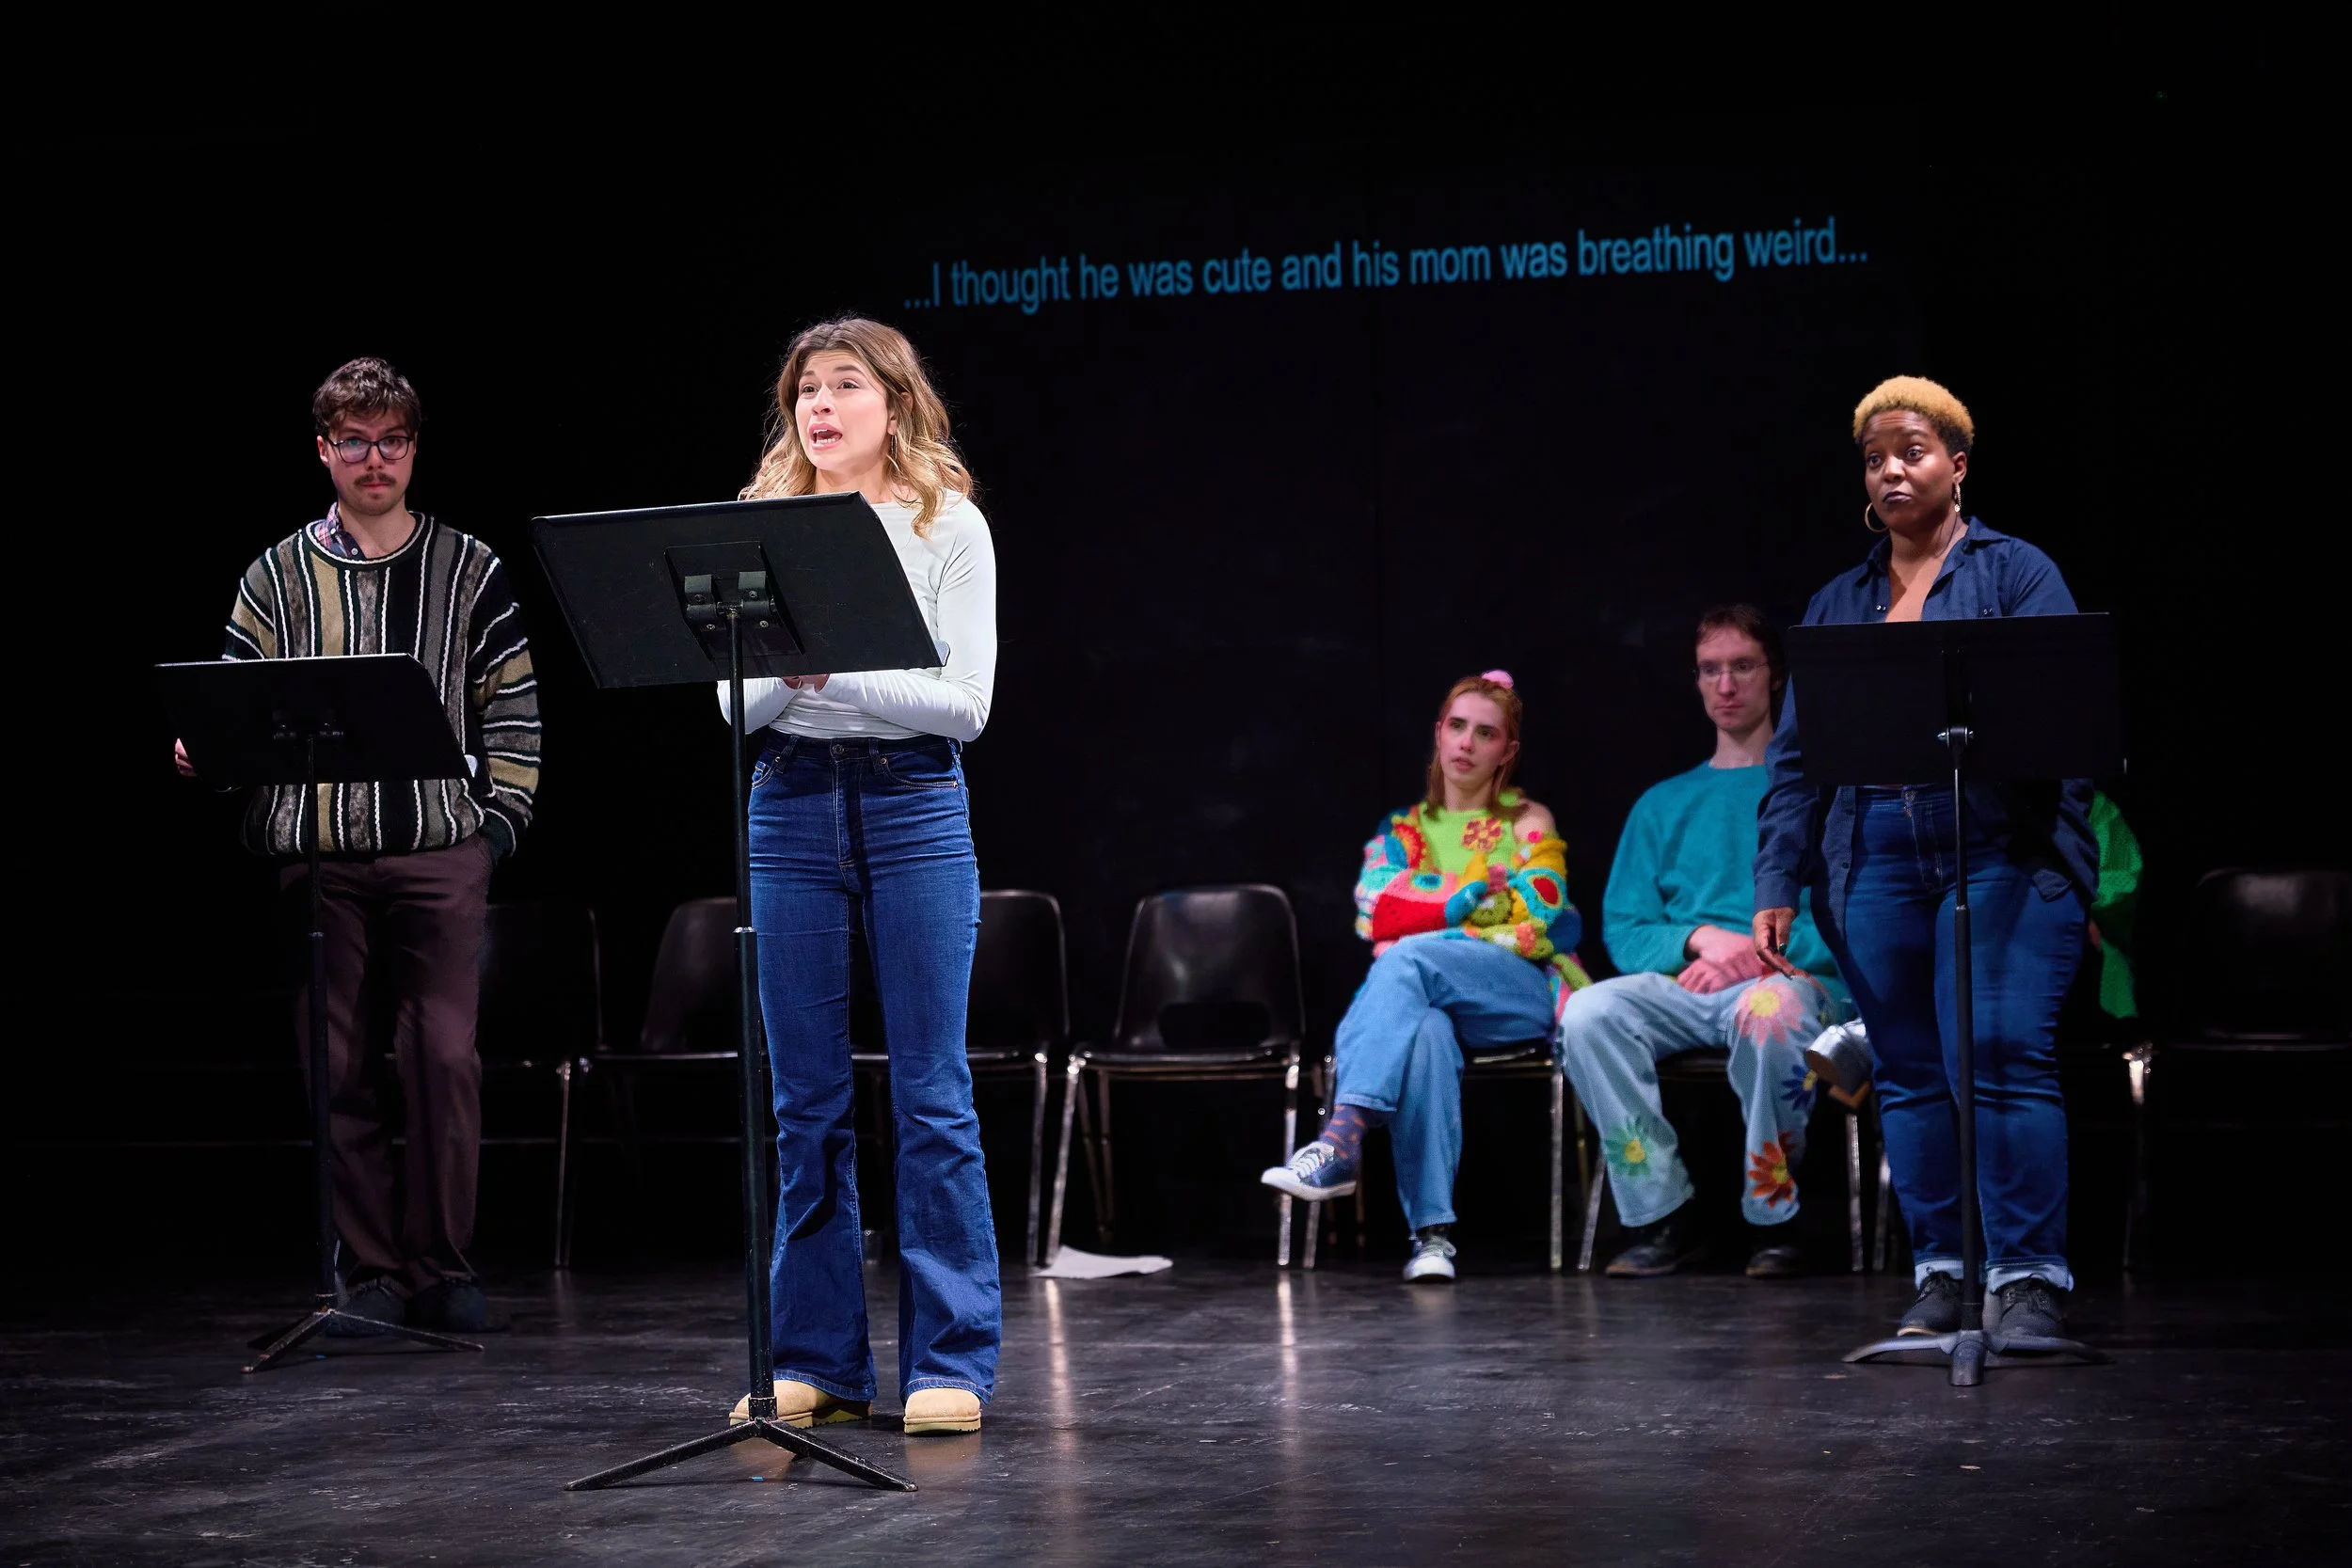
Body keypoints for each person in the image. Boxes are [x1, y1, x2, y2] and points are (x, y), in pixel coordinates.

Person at [184, 356, 540, 1334]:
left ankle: (443, 1264)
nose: (372, 459)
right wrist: (207, 751)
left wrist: (492, 829)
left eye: (390, 441)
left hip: (437, 848)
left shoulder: (469, 566)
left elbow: (512, 709)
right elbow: (236, 710)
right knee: (333, 1059)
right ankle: (371, 1269)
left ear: (414, 447)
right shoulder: (277, 573)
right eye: (353, 441)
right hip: (318, 854)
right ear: (323, 450)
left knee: (440, 1055)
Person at [1754, 375, 2093, 1343]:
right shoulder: (1839, 600)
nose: (1891, 468)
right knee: (1904, 1068)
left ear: (1957, 463)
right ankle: (1943, 1273)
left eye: (1911, 449)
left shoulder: (2016, 573)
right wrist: (1777, 879)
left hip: (1997, 853)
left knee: (1993, 1051)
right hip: (1872, 859)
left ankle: (2026, 1282)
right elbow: (1795, 761)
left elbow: (2066, 729)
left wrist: (2037, 838)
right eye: (1874, 456)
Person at [719, 318, 998, 1434]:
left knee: (932, 1092)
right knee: (806, 1104)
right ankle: (818, 1359)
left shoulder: (949, 525)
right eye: (805, 391)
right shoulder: (757, 526)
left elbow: (965, 705)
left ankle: (952, 1360)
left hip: (913, 805)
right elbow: (737, 705)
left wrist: (834, 664)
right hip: (787, 806)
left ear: (894, 402)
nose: (821, 406)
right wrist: (797, 676)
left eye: (845, 385)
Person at [1261, 672, 1590, 1283]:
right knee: (1427, 1031)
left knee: (1406, 961)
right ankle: (1432, 1236)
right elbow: (1375, 910)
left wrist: (1430, 914)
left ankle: (1340, 1138)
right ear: (1438, 733)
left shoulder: (1526, 818)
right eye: (1458, 726)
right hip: (1431, 997)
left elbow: (1538, 920)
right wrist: (1469, 899)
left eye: (1486, 732)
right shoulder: (1402, 829)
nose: (1468, 742)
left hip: (1514, 991)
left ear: (1507, 751)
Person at [1559, 607, 1848, 1279]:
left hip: (1797, 979)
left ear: (1774, 675)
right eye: (1711, 669)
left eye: (1741, 665)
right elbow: (1625, 927)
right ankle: (1665, 1212)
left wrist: (1753, 953)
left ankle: (1776, 1214)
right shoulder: (1663, 803)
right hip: (1693, 985)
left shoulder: (1817, 791)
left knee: (1770, 1011)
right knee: (1589, 1013)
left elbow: (1847, 912)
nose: (1726, 684)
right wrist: (1698, 939)